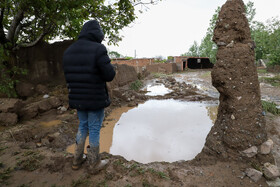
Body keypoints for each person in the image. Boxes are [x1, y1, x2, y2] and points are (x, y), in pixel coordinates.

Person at [63, 20, 116, 174]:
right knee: (94, 129)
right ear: (97, 33)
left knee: (82, 126)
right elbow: (109, 75)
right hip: (94, 98)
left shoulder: (68, 51)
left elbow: (68, 76)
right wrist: (110, 66)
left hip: (77, 99)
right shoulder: (98, 49)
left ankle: (77, 160)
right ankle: (94, 163)